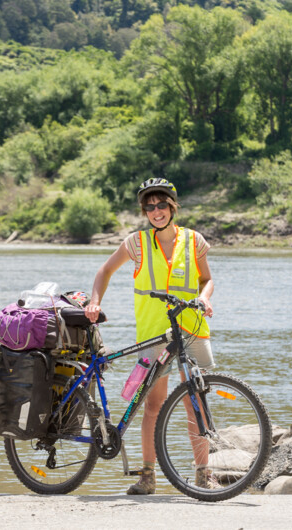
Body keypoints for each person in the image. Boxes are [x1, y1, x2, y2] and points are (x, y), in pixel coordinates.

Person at [84, 177, 217, 495]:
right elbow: (105, 271)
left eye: (161, 205)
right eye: (149, 207)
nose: (156, 211)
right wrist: (95, 300)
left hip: (191, 331)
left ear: (173, 207)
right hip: (154, 335)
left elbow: (207, 279)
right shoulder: (136, 243)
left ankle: (203, 474)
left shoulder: (194, 241)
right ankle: (147, 476)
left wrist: (206, 297)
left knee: (193, 402)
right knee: (154, 406)